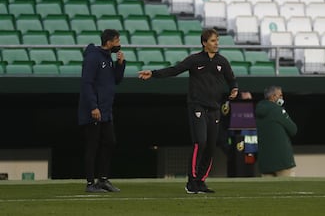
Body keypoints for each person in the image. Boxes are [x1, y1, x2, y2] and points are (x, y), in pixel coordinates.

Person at [138, 29, 251, 193]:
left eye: (217, 40)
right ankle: (191, 182)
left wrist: (234, 89)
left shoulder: (222, 61)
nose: (216, 43)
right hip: (197, 106)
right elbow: (175, 70)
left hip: (215, 108)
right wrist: (153, 73)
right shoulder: (194, 59)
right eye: (213, 41)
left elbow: (231, 79)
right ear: (204, 43)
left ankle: (201, 181)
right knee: (200, 142)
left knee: (212, 146)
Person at [78, 29, 125, 192]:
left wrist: (120, 64)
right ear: (109, 42)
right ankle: (90, 183)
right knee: (93, 146)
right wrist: (93, 106)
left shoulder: (109, 58)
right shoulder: (93, 58)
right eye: (117, 41)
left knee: (110, 142)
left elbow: (116, 80)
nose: (119, 44)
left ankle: (103, 179)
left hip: (106, 110)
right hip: (95, 110)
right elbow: (87, 83)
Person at [255, 85, 297, 177]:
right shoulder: (277, 110)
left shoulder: (258, 110)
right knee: (288, 189)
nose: (281, 98)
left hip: (265, 160)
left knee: (268, 190)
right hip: (282, 160)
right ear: (273, 96)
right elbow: (293, 130)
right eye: (280, 95)